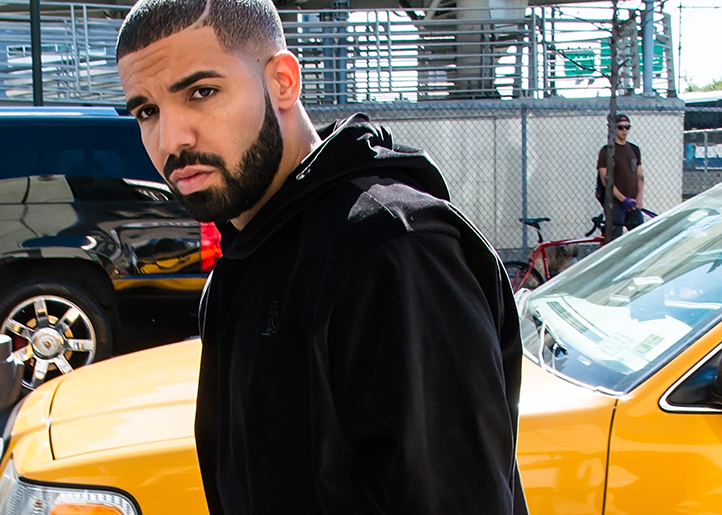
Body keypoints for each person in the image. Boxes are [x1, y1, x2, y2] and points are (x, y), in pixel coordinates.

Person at [116, 1, 527, 513]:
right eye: (147, 112)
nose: (171, 139)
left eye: (202, 92)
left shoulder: (395, 249)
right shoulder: (245, 255)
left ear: (283, 82)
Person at [597, 113, 645, 239]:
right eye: (620, 127)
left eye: (627, 127)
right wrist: (623, 199)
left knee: (640, 235)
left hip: (632, 203)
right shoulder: (607, 151)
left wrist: (639, 198)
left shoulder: (634, 149)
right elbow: (605, 179)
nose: (624, 130)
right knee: (615, 237)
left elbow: (640, 176)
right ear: (613, 129)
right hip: (615, 203)